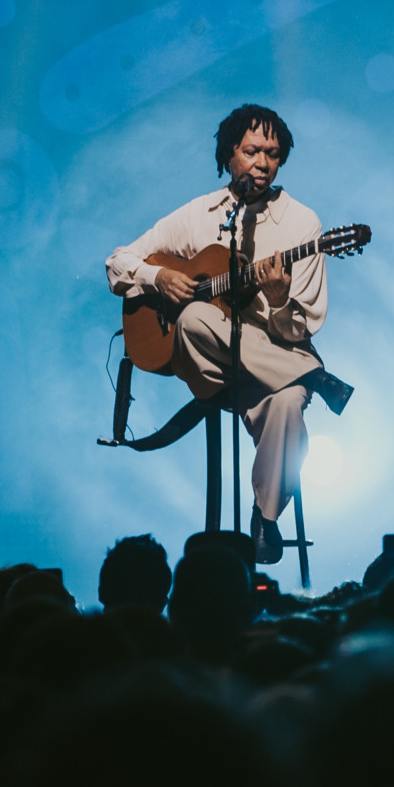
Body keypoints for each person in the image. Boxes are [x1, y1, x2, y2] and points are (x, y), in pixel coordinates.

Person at [107, 104, 327, 564]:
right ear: (230, 154)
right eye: (251, 152)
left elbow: (301, 325)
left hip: (267, 362)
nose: (262, 164)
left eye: (272, 153)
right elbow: (118, 262)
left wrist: (281, 297)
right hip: (208, 363)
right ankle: (309, 375)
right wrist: (156, 279)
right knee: (193, 319)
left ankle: (264, 517)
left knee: (288, 403)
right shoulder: (200, 214)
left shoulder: (302, 224)